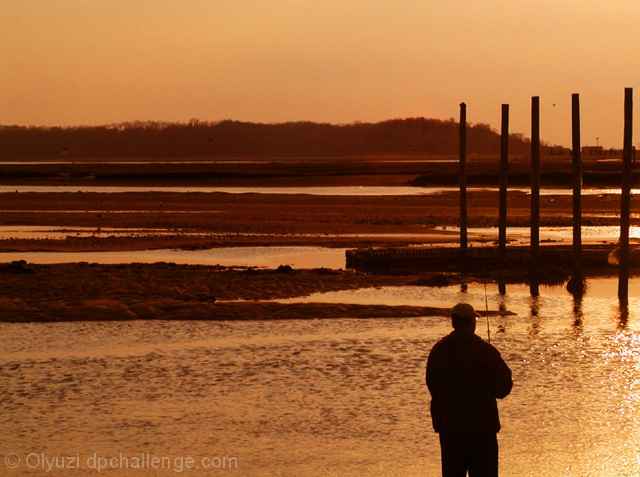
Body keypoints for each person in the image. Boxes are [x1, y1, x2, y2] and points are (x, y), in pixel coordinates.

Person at [426, 303, 512, 477]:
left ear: (453, 322)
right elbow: (503, 388)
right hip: (482, 431)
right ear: (472, 322)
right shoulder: (485, 351)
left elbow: (432, 384)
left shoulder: (438, 351)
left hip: (449, 430)